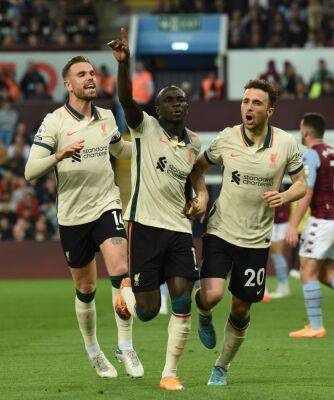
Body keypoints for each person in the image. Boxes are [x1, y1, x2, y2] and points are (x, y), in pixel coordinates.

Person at [25, 56, 143, 379]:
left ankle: (125, 345)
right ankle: (94, 351)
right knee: (87, 287)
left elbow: (122, 151)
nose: (90, 77)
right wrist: (58, 154)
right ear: (68, 84)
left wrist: (151, 145)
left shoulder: (106, 118)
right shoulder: (54, 123)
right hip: (73, 217)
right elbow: (30, 171)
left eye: (92, 72)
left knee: (120, 271)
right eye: (82, 74)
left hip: (107, 205)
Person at [187, 79, 307, 386]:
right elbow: (198, 169)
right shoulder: (227, 138)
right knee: (211, 295)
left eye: (256, 103)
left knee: (240, 309)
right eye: (245, 101)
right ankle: (203, 313)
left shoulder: (285, 144)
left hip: (256, 239)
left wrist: (286, 196)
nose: (248, 107)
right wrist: (201, 196)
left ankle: (222, 366)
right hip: (221, 229)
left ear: (269, 110)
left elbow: (301, 184)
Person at [108, 28, 201, 391]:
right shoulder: (144, 127)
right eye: (170, 100)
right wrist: (124, 63)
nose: (177, 103)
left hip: (179, 228)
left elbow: (194, 176)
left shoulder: (193, 142)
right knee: (146, 311)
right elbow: (125, 98)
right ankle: (125, 298)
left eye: (181, 100)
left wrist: (201, 196)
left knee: (182, 297)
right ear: (158, 108)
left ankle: (168, 374)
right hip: (144, 226)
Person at [286, 113, 334, 338]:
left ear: (306, 132)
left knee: (306, 268)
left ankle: (316, 327)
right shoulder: (332, 152)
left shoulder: (311, 156)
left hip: (322, 220)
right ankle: (314, 326)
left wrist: (292, 225)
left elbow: (308, 191)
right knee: (326, 273)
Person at [268, 201, 291, 298]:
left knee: (277, 254)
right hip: (277, 221)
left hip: (279, 222)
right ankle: (283, 286)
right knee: (275, 254)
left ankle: (283, 287)